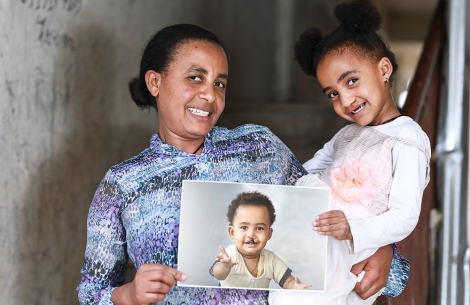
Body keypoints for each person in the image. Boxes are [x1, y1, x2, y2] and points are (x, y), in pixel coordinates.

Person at [76, 23, 410, 305]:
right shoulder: (123, 184)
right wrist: (128, 295)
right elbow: (91, 293)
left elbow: (329, 213)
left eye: (219, 83)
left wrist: (384, 250)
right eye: (195, 78)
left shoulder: (258, 147)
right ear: (155, 82)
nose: (210, 95)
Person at [270, 1, 430, 304]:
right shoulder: (347, 135)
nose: (345, 100)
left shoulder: (408, 138)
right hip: (325, 240)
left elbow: (406, 216)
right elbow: (305, 173)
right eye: (333, 93)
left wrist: (352, 229)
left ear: (384, 69)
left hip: (357, 246)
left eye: (351, 81)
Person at [210, 191, 311, 290]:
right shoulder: (230, 254)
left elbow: (287, 281)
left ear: (269, 234)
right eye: (244, 227)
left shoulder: (270, 260)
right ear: (232, 232)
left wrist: (296, 287)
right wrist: (225, 266)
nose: (251, 235)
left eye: (259, 228)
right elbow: (218, 274)